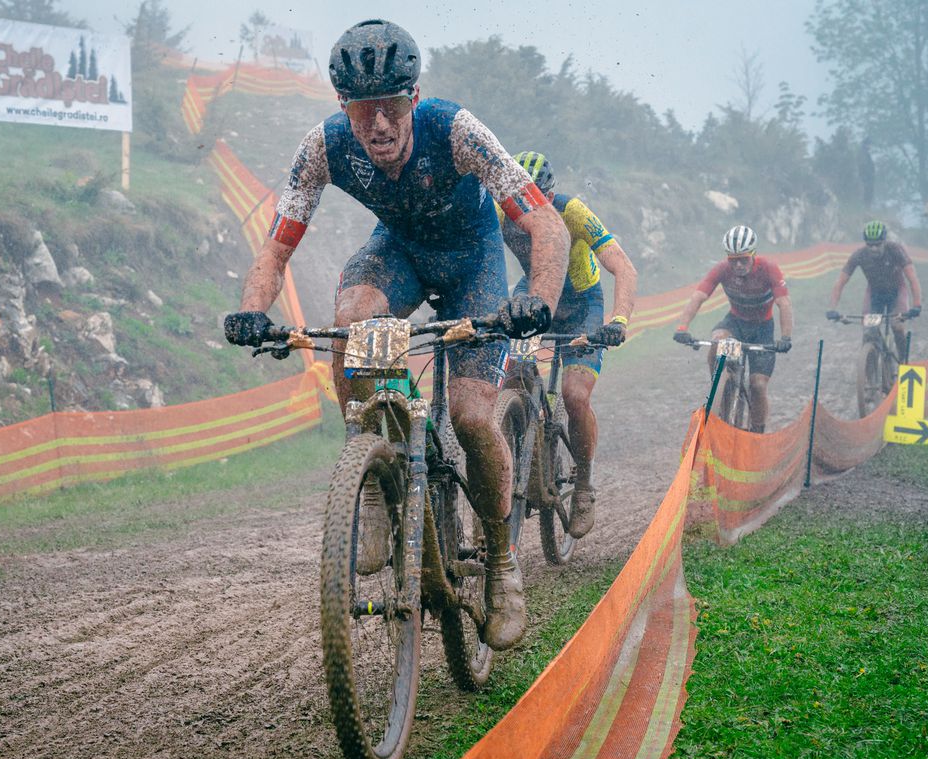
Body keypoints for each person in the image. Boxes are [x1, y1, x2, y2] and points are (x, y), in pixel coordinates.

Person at [223, 19, 570, 651]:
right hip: (400, 255)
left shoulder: (456, 130)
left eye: (391, 107)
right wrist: (252, 309)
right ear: (343, 108)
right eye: (364, 111)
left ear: (413, 99)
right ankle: (378, 477)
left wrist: (538, 302)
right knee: (353, 316)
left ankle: (501, 560)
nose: (379, 125)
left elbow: (546, 226)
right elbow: (275, 249)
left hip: (474, 264)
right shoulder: (324, 147)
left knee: (469, 418)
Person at [499, 151, 637, 539]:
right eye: (517, 200)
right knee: (507, 372)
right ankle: (516, 435)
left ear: (551, 193)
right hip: (537, 294)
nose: (526, 210)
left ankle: (584, 485)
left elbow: (622, 266)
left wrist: (619, 319)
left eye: (536, 200)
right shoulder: (498, 211)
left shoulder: (572, 211)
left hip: (581, 305)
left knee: (575, 396)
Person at [672, 225, 793, 433]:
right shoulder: (721, 269)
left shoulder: (768, 268)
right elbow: (699, 296)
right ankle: (719, 386)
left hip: (762, 329)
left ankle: (757, 431)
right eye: (732, 259)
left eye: (743, 259)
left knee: (758, 385)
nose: (738, 265)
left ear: (753, 255)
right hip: (735, 323)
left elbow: (784, 303)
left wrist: (785, 337)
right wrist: (682, 327)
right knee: (718, 339)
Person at [827, 220, 923, 358]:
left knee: (897, 327)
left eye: (877, 244)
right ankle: (868, 368)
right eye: (870, 245)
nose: (873, 249)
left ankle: (904, 362)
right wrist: (832, 309)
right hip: (874, 294)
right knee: (868, 331)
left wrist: (917, 305)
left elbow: (912, 279)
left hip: (897, 292)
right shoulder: (859, 255)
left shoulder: (896, 250)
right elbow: (840, 283)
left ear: (884, 241)